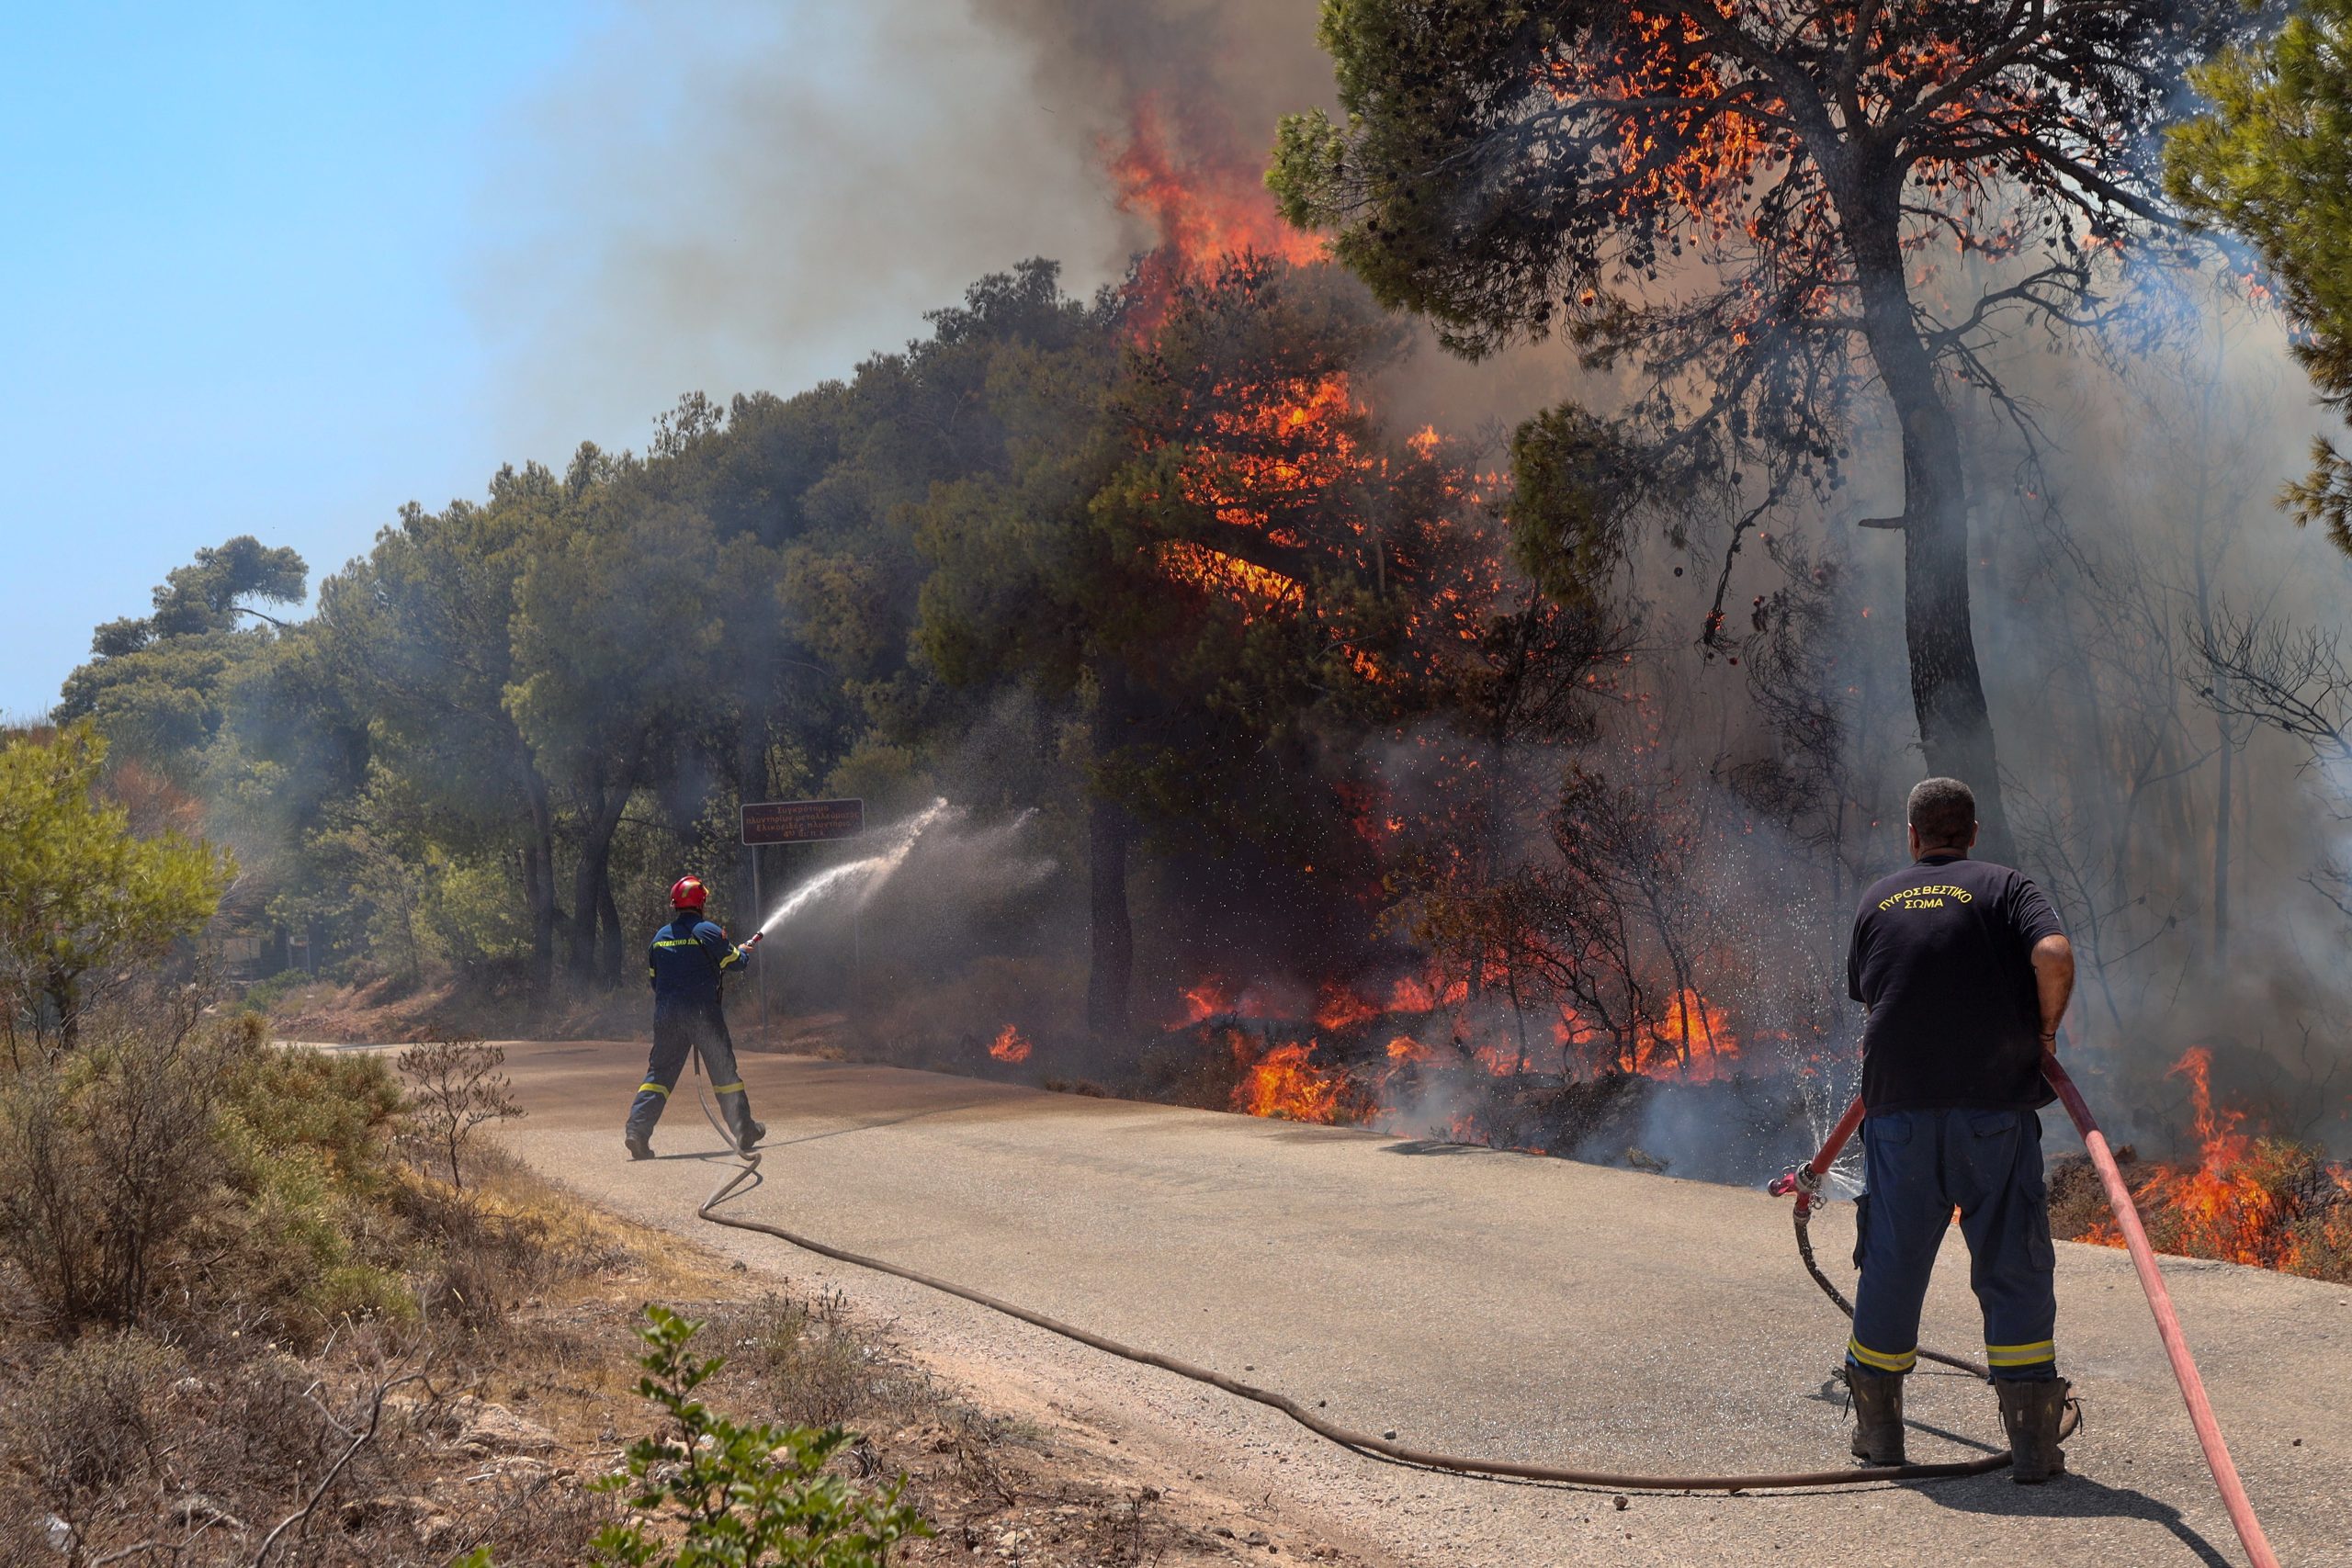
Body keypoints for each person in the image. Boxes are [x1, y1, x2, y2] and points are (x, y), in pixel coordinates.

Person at [1842, 777, 2076, 1483]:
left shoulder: (1877, 898)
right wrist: (2045, 1029)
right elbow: (2055, 954)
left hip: (1898, 1108)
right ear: (1972, 832)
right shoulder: (2007, 885)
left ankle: (1881, 1435)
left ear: (1912, 838)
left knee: (1892, 1257)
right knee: (2012, 1255)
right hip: (1991, 1107)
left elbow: (1877, 992)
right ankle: (2033, 1445)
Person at [625, 875, 766, 1159]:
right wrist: (743, 952)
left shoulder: (659, 938)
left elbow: (656, 982)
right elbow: (735, 962)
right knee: (725, 1074)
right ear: (701, 902)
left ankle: (637, 1132)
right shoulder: (708, 931)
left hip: (667, 1017)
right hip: (704, 1017)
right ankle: (744, 1130)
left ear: (675, 903)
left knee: (659, 1075)